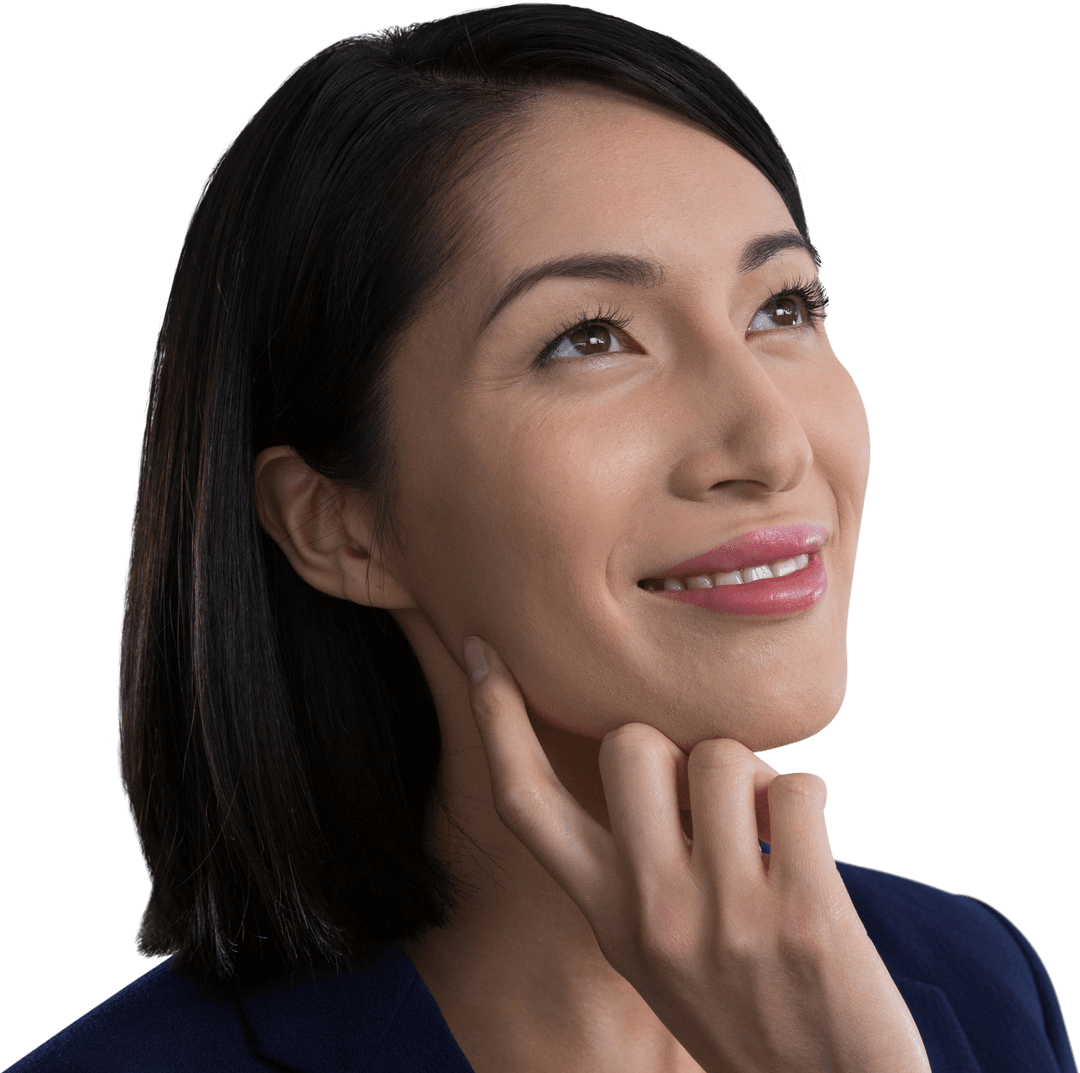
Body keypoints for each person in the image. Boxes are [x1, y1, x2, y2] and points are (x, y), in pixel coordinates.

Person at [7, 4, 1075, 1072]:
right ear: (338, 523)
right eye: (590, 337)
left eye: (783, 307)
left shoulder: (978, 981)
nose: (770, 440)